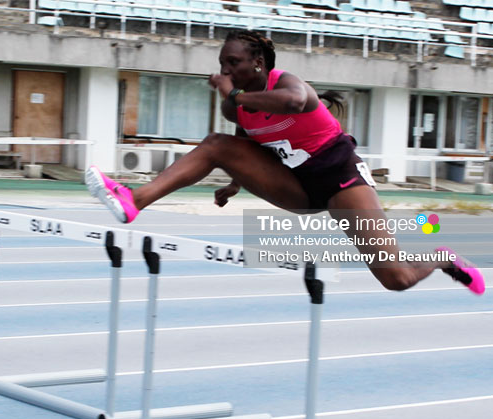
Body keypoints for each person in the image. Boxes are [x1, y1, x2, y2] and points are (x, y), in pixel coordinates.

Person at [86, 29, 484, 295]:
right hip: (295, 187)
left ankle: (441, 256)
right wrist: (235, 183)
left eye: (233, 63)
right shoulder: (237, 110)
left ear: (258, 62)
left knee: (395, 279)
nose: (226, 70)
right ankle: (133, 201)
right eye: (222, 64)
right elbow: (246, 142)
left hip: (343, 182)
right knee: (215, 144)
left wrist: (233, 95)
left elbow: (292, 104)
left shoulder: (288, 85)